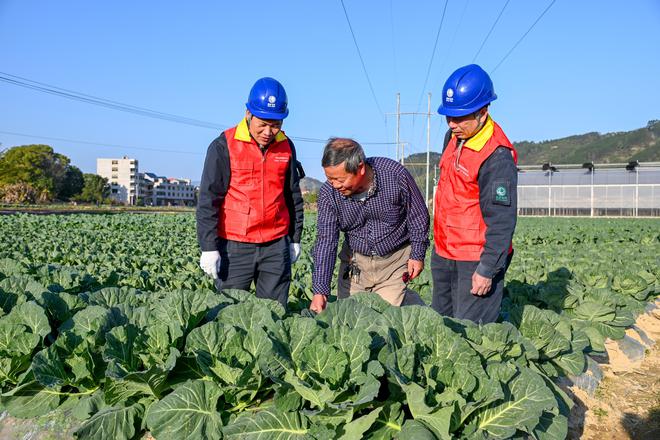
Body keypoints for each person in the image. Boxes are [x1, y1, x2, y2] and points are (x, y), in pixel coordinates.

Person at [196, 77, 304, 308]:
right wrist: (208, 247)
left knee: (275, 313)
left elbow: (293, 195)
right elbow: (208, 200)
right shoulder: (223, 145)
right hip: (235, 245)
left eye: (275, 124)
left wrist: (294, 239)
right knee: (229, 314)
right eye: (263, 123)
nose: (268, 131)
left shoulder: (286, 146)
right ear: (248, 114)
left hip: (276, 245)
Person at [431, 64, 518, 323]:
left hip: (474, 259)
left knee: (470, 333)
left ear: (483, 112)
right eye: (448, 116)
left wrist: (487, 269)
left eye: (460, 117)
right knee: (441, 325)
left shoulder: (497, 156)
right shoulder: (453, 137)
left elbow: (502, 221)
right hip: (445, 252)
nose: (452, 124)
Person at [310, 138, 430, 313]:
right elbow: (326, 241)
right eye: (329, 179)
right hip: (355, 264)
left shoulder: (393, 174)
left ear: (360, 168)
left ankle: (412, 307)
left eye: (340, 179)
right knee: (351, 318)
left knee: (386, 318)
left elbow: (417, 214)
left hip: (394, 261)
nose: (335, 185)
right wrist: (320, 291)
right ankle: (412, 304)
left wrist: (418, 254)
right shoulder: (329, 193)